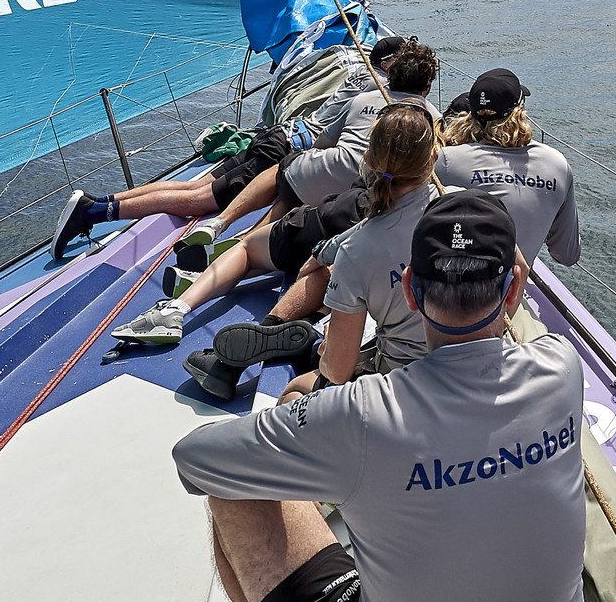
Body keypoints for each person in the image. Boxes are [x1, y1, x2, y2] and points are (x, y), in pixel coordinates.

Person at [171, 190, 587, 602]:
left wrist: (309, 445)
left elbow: (195, 460)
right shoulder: (561, 370)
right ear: (515, 287)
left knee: (236, 483)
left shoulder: (362, 416)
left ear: (412, 293)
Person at [50, 37, 441, 265]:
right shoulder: (397, 104)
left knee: (194, 189)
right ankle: (96, 212)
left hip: (279, 135)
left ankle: (100, 202)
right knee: (200, 199)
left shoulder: (363, 83)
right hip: (284, 149)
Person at [175, 103, 439, 389]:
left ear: (367, 158)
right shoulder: (460, 211)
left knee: (294, 390)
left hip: (393, 376)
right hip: (449, 361)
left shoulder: (357, 248)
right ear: (434, 159)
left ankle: (296, 341)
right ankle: (294, 338)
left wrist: (327, 349)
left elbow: (338, 373)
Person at [436, 68, 581, 269]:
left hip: (451, 288)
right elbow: (566, 255)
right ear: (520, 111)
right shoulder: (556, 165)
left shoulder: (445, 161)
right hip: (511, 293)